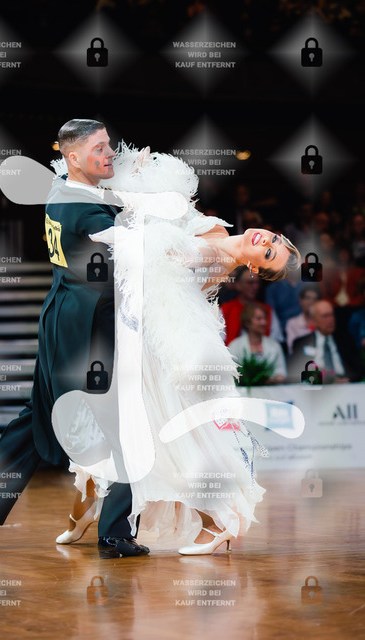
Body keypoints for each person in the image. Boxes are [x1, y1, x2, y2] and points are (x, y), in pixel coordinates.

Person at [54, 144, 301, 555]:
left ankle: (216, 521)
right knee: (115, 436)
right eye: (274, 239)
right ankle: (87, 510)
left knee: (166, 443)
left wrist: (139, 206)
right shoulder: (217, 231)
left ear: (256, 268)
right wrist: (148, 178)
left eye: (269, 252)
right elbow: (177, 212)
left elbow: (158, 257)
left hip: (155, 352)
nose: (266, 240)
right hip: (139, 338)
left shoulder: (217, 262)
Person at [0, 119, 149, 559]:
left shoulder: (61, 189)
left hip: (60, 320)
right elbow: (136, 248)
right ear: (73, 157)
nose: (110, 153)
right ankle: (115, 534)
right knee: (126, 426)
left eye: (109, 145)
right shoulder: (86, 211)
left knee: (35, 420)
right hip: (88, 333)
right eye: (99, 148)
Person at [289, 300, 363, 384]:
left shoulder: (346, 340)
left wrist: (349, 379)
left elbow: (358, 369)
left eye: (332, 315)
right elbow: (296, 372)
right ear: (314, 320)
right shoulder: (301, 343)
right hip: (316, 386)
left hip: (344, 384)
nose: (331, 319)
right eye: (325, 316)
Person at [220, 265, 284, 345]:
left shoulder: (268, 310)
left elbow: (275, 342)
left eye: (257, 283)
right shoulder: (225, 310)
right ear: (238, 285)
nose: (255, 286)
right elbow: (219, 342)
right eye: (250, 283)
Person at [228, 304, 287, 385]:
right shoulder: (235, 345)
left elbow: (281, 372)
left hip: (271, 390)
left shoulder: (275, 346)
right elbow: (230, 373)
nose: (264, 322)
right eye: (259, 319)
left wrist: (273, 379)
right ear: (247, 323)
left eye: (265, 318)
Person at [285, 284, 321, 354]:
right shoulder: (292, 323)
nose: (311, 302)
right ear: (300, 300)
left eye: (315, 299)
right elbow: (292, 350)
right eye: (308, 298)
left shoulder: (324, 321)